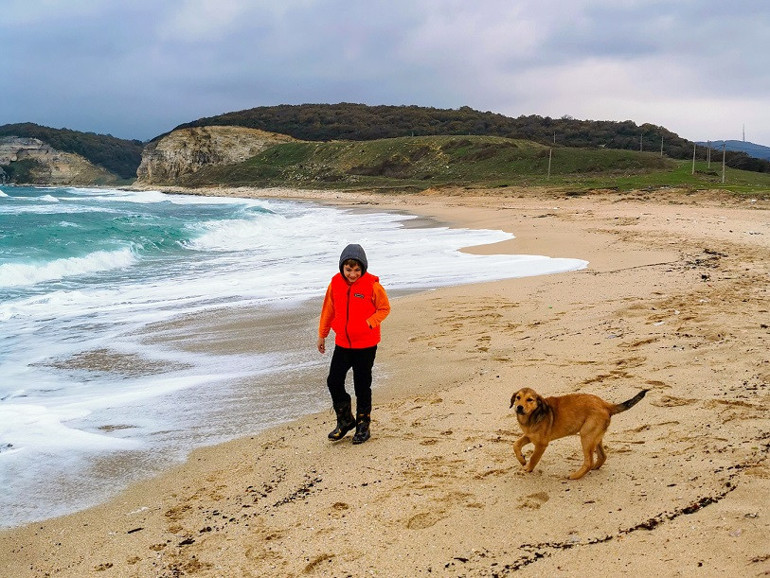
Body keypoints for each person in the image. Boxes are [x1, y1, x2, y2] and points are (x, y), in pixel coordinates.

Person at [317, 244, 390, 444]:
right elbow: (328, 310)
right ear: (342, 267)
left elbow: (384, 308)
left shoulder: (372, 286)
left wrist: (369, 323)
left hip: (366, 345)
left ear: (363, 268)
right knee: (333, 381)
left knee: (362, 385)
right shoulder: (335, 284)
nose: (352, 274)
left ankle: (363, 425)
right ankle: (345, 420)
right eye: (348, 269)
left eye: (357, 270)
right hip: (343, 343)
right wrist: (322, 334)